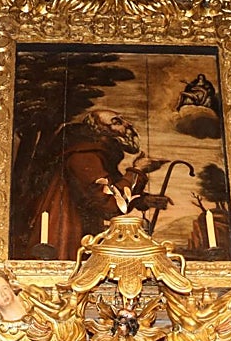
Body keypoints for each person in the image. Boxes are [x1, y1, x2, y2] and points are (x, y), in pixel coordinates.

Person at [26, 109, 170, 260]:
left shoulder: (97, 154)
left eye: (123, 120)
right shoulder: (83, 156)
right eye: (116, 122)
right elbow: (111, 204)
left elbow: (113, 188)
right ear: (99, 131)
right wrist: (137, 170)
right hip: (66, 233)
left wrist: (142, 200)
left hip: (81, 232)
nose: (127, 125)